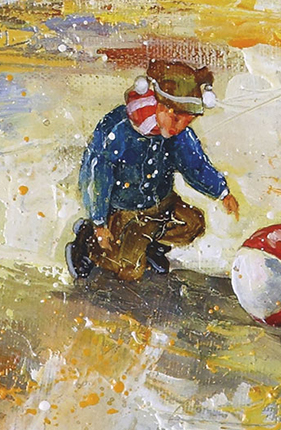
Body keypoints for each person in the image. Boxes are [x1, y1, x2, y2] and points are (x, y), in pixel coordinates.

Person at [67, 60, 239, 282]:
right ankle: (87, 244)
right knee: (130, 271)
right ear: (159, 104)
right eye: (175, 118)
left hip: (161, 205)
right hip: (123, 211)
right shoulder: (119, 130)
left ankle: (148, 246)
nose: (179, 127)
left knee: (194, 223)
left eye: (186, 122)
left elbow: (195, 165)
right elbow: (96, 177)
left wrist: (222, 192)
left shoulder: (177, 135)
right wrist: (99, 221)